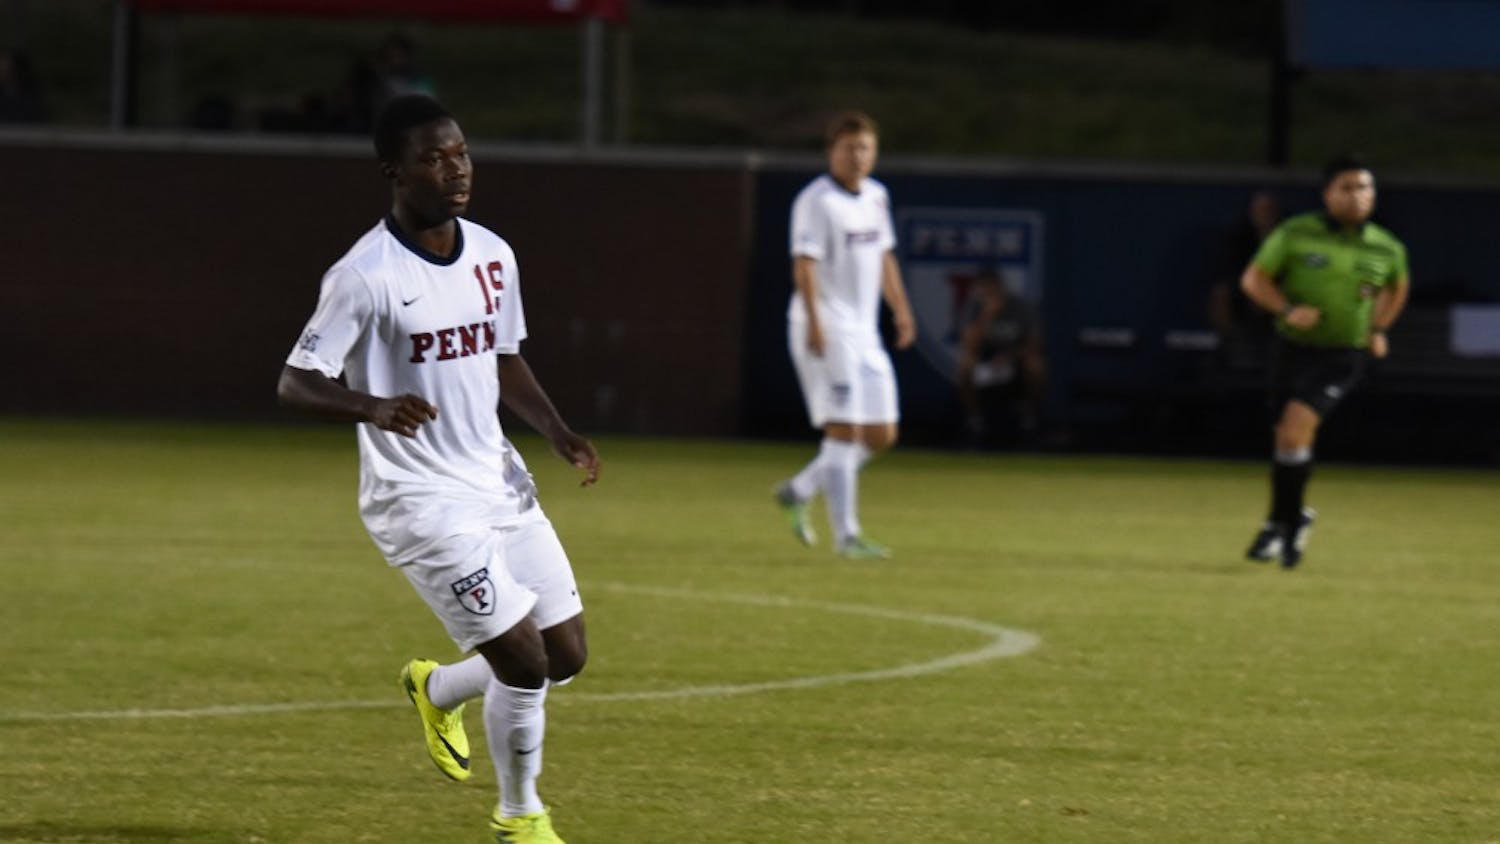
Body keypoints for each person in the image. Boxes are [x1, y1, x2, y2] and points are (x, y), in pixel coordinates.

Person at [277, 95, 597, 843]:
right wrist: (372, 406)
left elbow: (503, 355)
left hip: (496, 479)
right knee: (522, 661)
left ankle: (437, 687)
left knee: (566, 656)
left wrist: (557, 429)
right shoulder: (363, 275)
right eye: (433, 157)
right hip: (419, 499)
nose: (454, 170)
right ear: (394, 170)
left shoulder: (493, 253)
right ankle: (521, 816)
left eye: (460, 154)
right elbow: (295, 382)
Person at [1239, 155, 1409, 569]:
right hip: (1292, 348)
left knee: (1296, 428)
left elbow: (1395, 286)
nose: (1357, 196)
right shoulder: (1297, 233)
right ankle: (1287, 518)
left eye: (1364, 188)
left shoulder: (1384, 245)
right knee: (1286, 437)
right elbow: (1254, 279)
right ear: (1327, 194)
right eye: (1347, 188)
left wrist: (1379, 328)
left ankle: (1283, 522)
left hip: (1342, 352)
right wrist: (1286, 309)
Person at [773, 110, 917, 560]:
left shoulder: (877, 196)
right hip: (826, 326)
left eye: (865, 148)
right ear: (831, 152)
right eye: (849, 148)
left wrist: (902, 309)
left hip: (864, 331)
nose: (858, 156)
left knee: (882, 433)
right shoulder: (816, 201)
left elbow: (885, 257)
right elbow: (804, 263)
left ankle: (800, 488)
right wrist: (816, 322)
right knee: (844, 430)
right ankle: (847, 535)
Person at [954, 265, 1046, 447]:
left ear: (999, 286)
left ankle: (1029, 416)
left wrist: (1010, 357)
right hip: (985, 364)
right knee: (965, 366)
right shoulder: (975, 308)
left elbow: (1034, 344)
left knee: (1035, 365)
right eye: (983, 288)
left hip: (1013, 362)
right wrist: (986, 315)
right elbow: (968, 345)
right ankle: (975, 419)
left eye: (991, 287)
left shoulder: (1019, 307)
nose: (988, 292)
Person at [1209, 189, 1281, 372]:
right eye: (1260, 210)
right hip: (1244, 308)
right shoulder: (1238, 242)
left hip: (1281, 309)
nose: (1265, 216)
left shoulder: (1290, 241)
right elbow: (1229, 280)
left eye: (1269, 210)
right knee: (1222, 297)